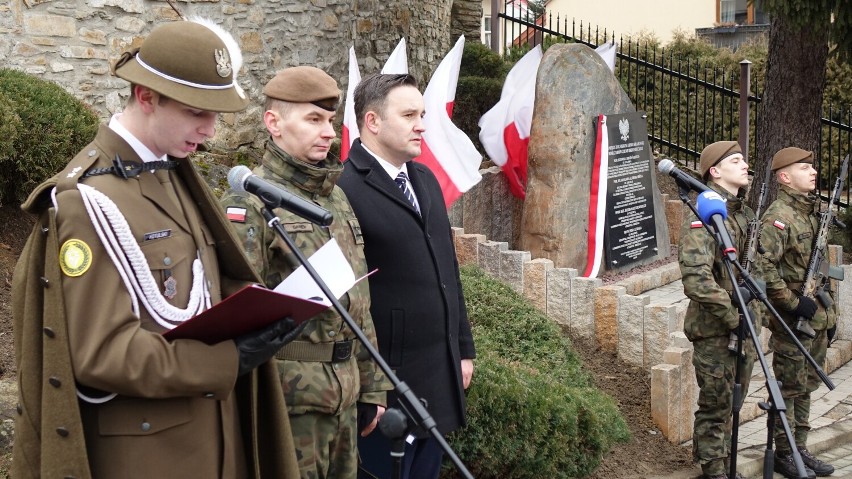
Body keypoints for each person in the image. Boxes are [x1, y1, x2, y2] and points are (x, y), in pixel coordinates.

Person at [11, 19, 303, 479]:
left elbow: (198, 294)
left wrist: (262, 309)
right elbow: (103, 354)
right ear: (147, 97)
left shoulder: (171, 174)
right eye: (196, 112)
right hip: (151, 457)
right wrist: (227, 359)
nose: (210, 129)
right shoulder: (86, 202)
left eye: (215, 114)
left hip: (215, 441)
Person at [220, 66, 392, 479]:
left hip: (345, 396)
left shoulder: (336, 197)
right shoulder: (251, 203)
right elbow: (241, 313)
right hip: (290, 402)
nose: (328, 132)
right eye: (314, 120)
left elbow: (358, 300)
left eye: (329, 120)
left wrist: (372, 384)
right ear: (273, 123)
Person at [337, 73, 476, 479]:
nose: (422, 124)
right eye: (410, 114)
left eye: (423, 114)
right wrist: (369, 388)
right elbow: (346, 300)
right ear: (373, 121)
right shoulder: (345, 188)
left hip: (437, 375)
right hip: (388, 387)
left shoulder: (424, 179)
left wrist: (463, 348)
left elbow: (448, 270)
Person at [678, 141, 758, 479]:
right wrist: (732, 316)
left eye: (744, 160)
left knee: (732, 402)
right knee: (715, 404)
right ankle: (714, 470)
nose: (745, 166)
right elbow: (696, 279)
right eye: (736, 161)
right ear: (715, 171)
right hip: (715, 329)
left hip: (742, 325)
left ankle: (725, 462)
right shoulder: (704, 213)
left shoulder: (743, 214)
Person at [759, 147, 837, 479]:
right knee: (788, 388)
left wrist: (828, 314)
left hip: (815, 318)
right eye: (804, 167)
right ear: (784, 177)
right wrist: (792, 303)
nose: (813, 171)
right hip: (792, 321)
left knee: (805, 386)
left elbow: (819, 268)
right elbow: (762, 268)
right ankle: (784, 451)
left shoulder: (809, 213)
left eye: (812, 166)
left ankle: (800, 448)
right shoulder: (779, 217)